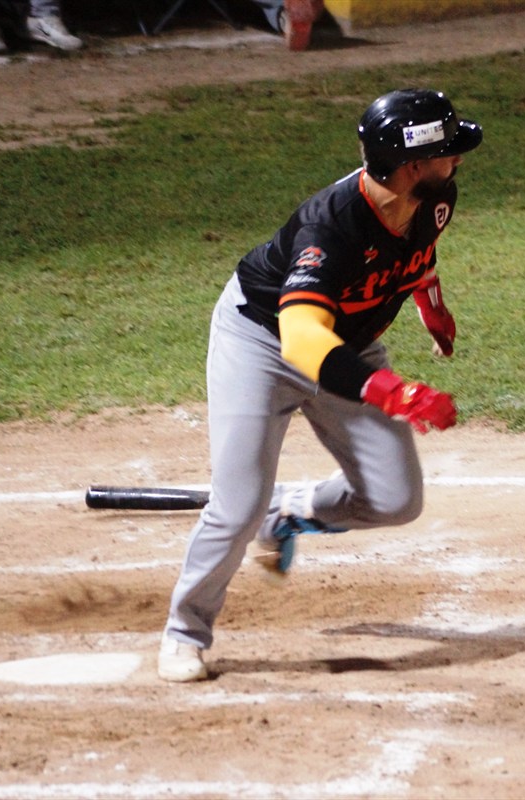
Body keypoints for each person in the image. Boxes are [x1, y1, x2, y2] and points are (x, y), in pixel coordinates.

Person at [157, 88, 483, 682]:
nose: (458, 158)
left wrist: (431, 304)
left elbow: (418, 255)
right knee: (236, 507)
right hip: (262, 344)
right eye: (448, 152)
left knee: (395, 500)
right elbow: (303, 341)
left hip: (350, 349)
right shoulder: (328, 228)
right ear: (413, 166)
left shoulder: (435, 197)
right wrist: (393, 392)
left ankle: (288, 511)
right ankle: (184, 633)